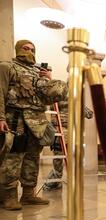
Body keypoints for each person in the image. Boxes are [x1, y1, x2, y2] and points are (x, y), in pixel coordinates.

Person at [0, 40, 67, 210]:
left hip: (37, 123)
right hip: (16, 119)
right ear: (17, 49)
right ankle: (9, 196)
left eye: (32, 49)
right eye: (25, 48)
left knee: (32, 157)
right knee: (13, 159)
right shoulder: (7, 67)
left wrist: (49, 80)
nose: (29, 51)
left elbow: (50, 98)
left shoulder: (38, 73)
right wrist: (0, 118)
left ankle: (28, 194)